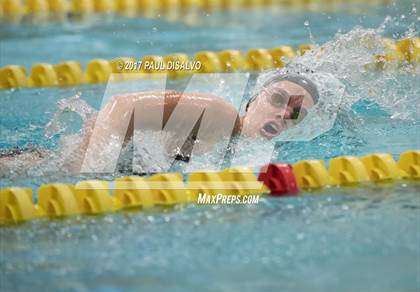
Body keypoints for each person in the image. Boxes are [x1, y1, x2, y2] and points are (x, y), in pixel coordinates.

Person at [0, 71, 319, 174]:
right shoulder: (219, 114)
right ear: (253, 100)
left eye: (295, 114)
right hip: (56, 168)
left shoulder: (243, 153)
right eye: (277, 100)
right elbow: (120, 107)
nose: (282, 114)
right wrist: (93, 176)